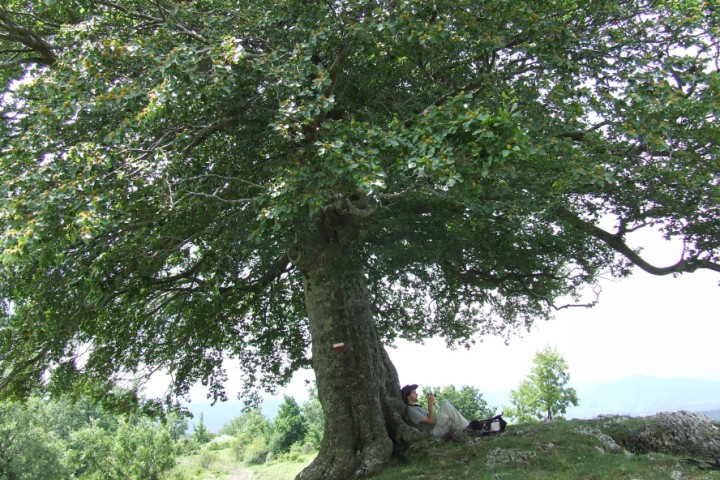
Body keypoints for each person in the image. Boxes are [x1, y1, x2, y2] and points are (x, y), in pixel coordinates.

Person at [401, 384, 474, 440]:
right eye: (414, 393)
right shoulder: (411, 410)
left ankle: (467, 431)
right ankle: (468, 429)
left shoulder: (417, 407)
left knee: (450, 416)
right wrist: (430, 403)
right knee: (445, 404)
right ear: (408, 396)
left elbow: (433, 418)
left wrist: (432, 404)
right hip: (434, 431)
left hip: (437, 427)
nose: (417, 394)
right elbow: (431, 421)